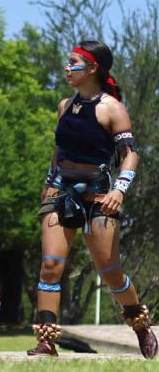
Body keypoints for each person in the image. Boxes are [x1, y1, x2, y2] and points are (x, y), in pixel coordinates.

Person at [29, 41, 156, 358]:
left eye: (72, 63)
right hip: (62, 192)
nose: (66, 68)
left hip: (99, 195)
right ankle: (46, 342)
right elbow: (59, 151)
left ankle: (140, 325)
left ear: (92, 68)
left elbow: (130, 155)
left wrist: (119, 190)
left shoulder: (112, 108)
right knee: (50, 266)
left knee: (110, 271)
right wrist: (49, 182)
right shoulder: (64, 106)